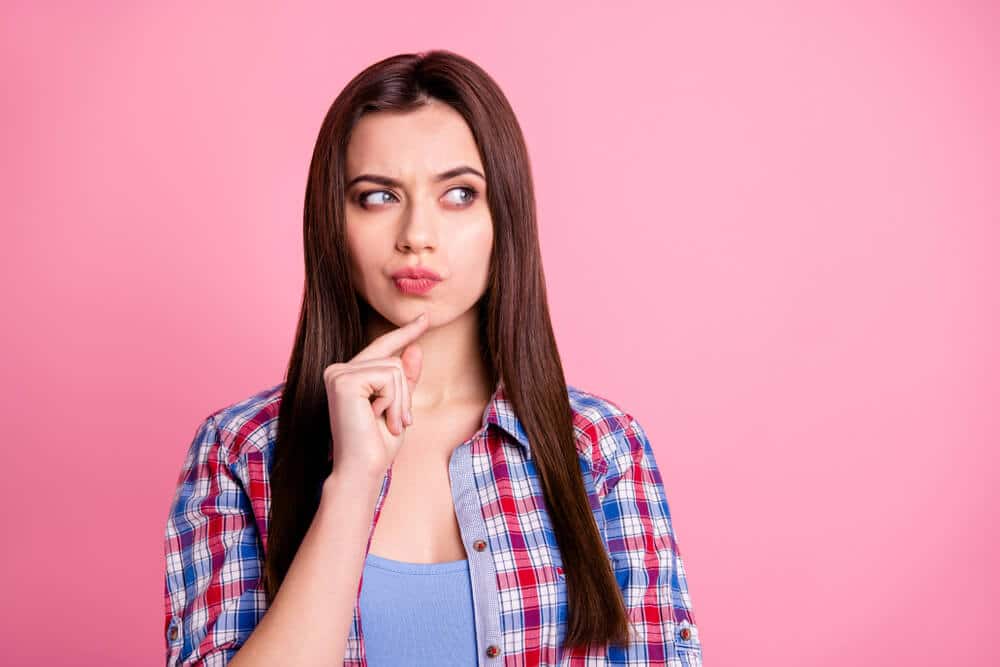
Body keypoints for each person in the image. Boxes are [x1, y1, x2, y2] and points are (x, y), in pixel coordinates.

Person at [163, 49, 702, 666]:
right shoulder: (242, 451)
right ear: (331, 221)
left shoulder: (600, 448)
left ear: (506, 218)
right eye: (377, 197)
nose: (417, 233)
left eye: (459, 194)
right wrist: (353, 484)